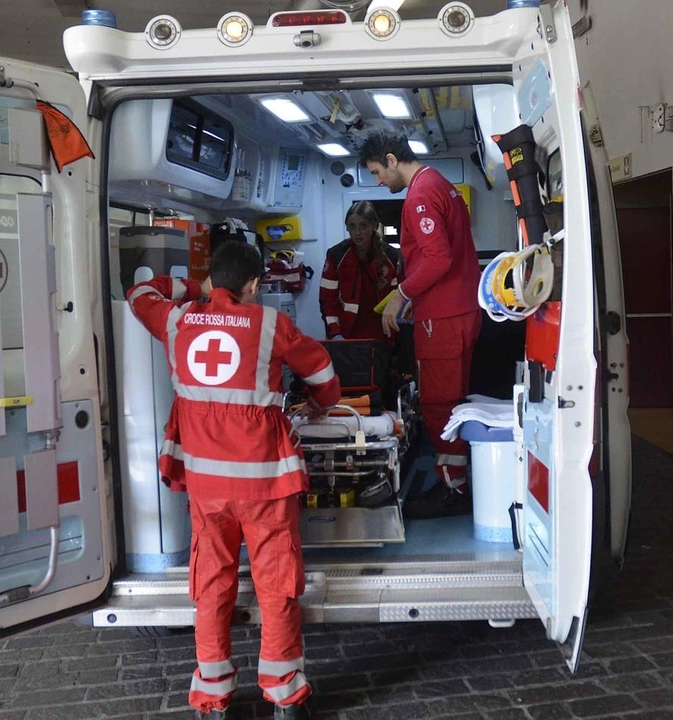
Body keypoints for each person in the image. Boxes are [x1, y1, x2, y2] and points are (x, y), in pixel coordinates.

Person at [126, 241, 339, 720]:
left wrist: (188, 288)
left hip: (207, 489)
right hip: (266, 485)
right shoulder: (269, 324)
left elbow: (139, 292)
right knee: (276, 584)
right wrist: (321, 403)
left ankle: (212, 696)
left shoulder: (177, 321)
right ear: (254, 285)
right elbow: (323, 369)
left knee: (212, 584)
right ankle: (285, 695)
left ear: (212, 280)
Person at [359, 131, 482, 519]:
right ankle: (456, 480)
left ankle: (454, 490)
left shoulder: (420, 194)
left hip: (444, 319)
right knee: (451, 401)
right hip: (454, 310)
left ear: (393, 160)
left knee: (439, 405)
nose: (379, 181)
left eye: (378, 172)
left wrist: (402, 295)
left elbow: (438, 258)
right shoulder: (440, 184)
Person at [319, 201, 403, 342]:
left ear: (374, 226)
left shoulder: (392, 256)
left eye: (363, 226)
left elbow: (398, 297)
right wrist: (335, 333)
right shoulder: (336, 255)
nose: (357, 232)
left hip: (384, 334)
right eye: (352, 226)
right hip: (347, 335)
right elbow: (327, 300)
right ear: (347, 228)